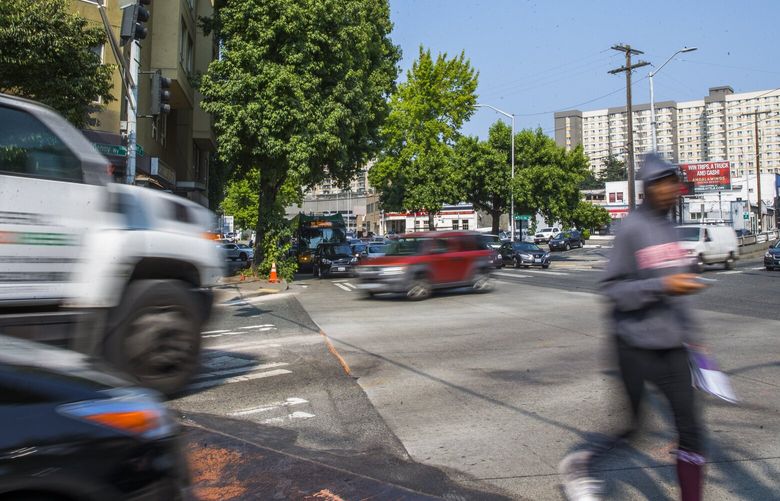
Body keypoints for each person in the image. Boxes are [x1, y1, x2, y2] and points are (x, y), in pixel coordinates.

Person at [560, 153, 707, 501]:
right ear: (649, 189)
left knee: (691, 432)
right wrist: (662, 287)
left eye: (675, 184)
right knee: (633, 429)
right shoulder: (631, 229)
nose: (673, 191)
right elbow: (612, 289)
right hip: (634, 347)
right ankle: (582, 465)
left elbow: (678, 293)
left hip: (672, 348)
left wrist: (696, 341)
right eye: (666, 185)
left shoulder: (670, 229)